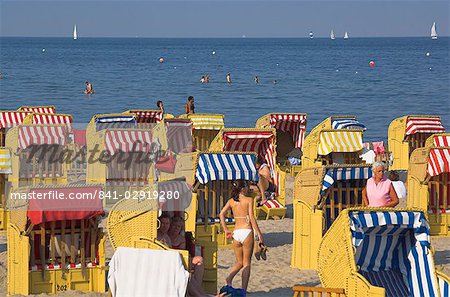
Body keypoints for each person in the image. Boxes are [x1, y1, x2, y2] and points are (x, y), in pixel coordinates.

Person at [219, 180, 264, 296]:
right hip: (246, 231)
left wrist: (226, 230)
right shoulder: (249, 200)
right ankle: (244, 289)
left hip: (236, 232)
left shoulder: (231, 201)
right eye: (246, 186)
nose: (248, 188)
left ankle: (229, 278)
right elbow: (252, 218)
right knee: (246, 263)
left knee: (239, 261)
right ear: (242, 188)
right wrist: (258, 233)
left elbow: (221, 214)